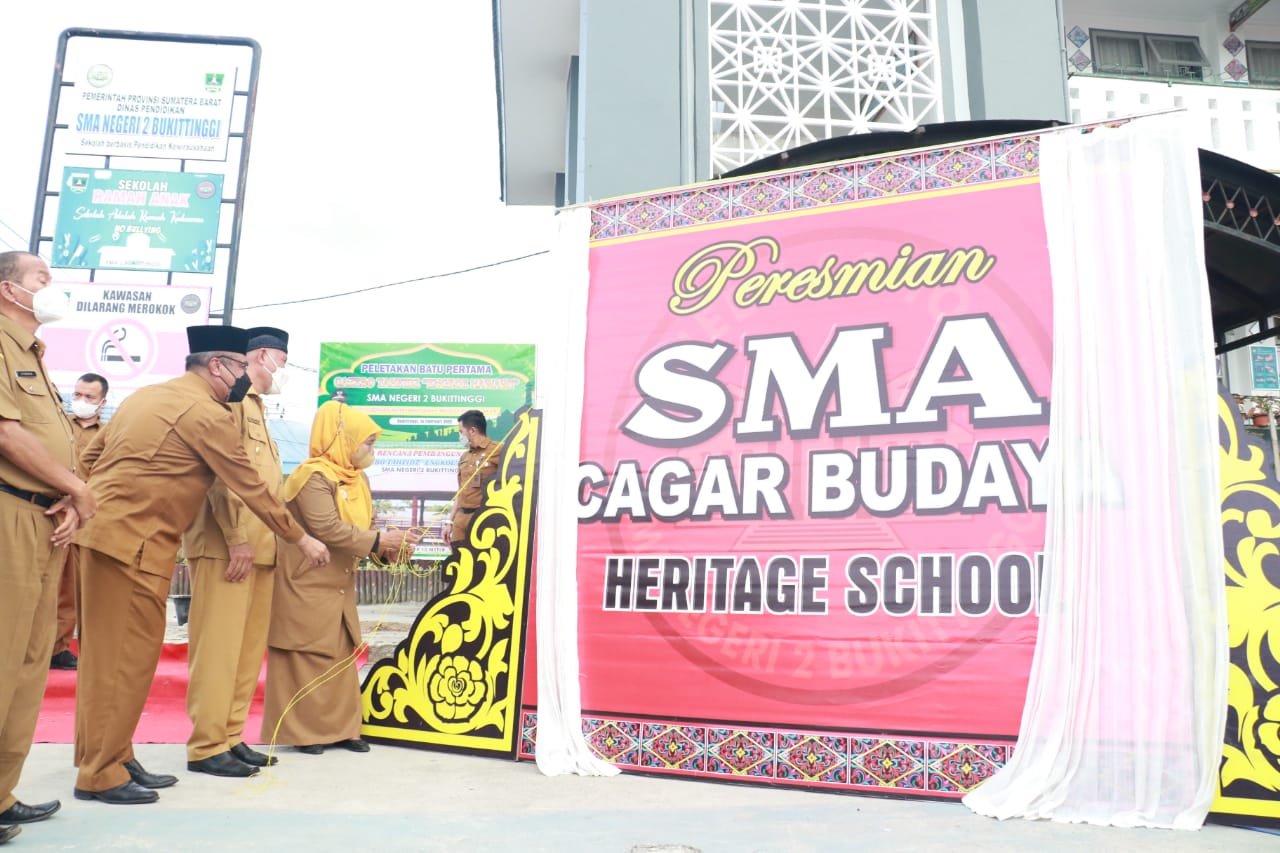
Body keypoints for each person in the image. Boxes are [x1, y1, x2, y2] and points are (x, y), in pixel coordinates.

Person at [72, 325, 330, 806]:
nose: (242, 377)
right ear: (217, 366)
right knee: (122, 664)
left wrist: (88, 505)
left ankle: (113, 755)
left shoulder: (147, 397)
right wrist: (300, 539)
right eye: (238, 367)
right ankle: (100, 772)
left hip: (114, 538)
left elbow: (89, 458)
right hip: (134, 545)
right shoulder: (207, 413)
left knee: (113, 662)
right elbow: (249, 486)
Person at [0, 252, 96, 836]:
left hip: (45, 519)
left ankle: (3, 792)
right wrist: (77, 488)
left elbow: (43, 438)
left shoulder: (33, 354)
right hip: (10, 513)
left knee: (33, 663)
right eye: (41, 280)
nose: (51, 288)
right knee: (4, 657)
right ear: (9, 289)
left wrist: (63, 493)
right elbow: (7, 433)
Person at [261, 401, 417, 754]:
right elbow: (326, 527)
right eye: (367, 442)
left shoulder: (356, 478)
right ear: (343, 439)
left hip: (338, 582)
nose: (370, 451)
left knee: (340, 656)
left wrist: (390, 548)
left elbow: (366, 528)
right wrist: (378, 540)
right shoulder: (311, 476)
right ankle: (306, 734)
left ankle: (344, 730)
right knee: (307, 656)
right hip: (307, 580)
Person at [182, 327, 291, 778]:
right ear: (263, 355)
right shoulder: (229, 404)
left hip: (260, 546)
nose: (285, 371)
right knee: (219, 650)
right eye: (284, 361)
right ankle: (206, 745)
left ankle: (229, 736)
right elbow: (221, 475)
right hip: (230, 547)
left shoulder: (258, 408)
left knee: (246, 653)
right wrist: (234, 537)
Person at [50, 372, 109, 671]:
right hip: (49, 510)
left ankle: (58, 648)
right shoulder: (58, 425)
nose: (81, 401)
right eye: (78, 395)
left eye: (89, 397)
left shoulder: (108, 434)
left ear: (102, 402)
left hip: (84, 518)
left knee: (69, 588)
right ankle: (26, 645)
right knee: (39, 582)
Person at [443, 409, 504, 548]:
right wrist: (450, 522)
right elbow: (460, 491)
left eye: (461, 432)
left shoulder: (498, 450)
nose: (460, 436)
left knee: (480, 564)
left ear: (472, 431)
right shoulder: (465, 457)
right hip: (460, 519)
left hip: (482, 517)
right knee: (458, 561)